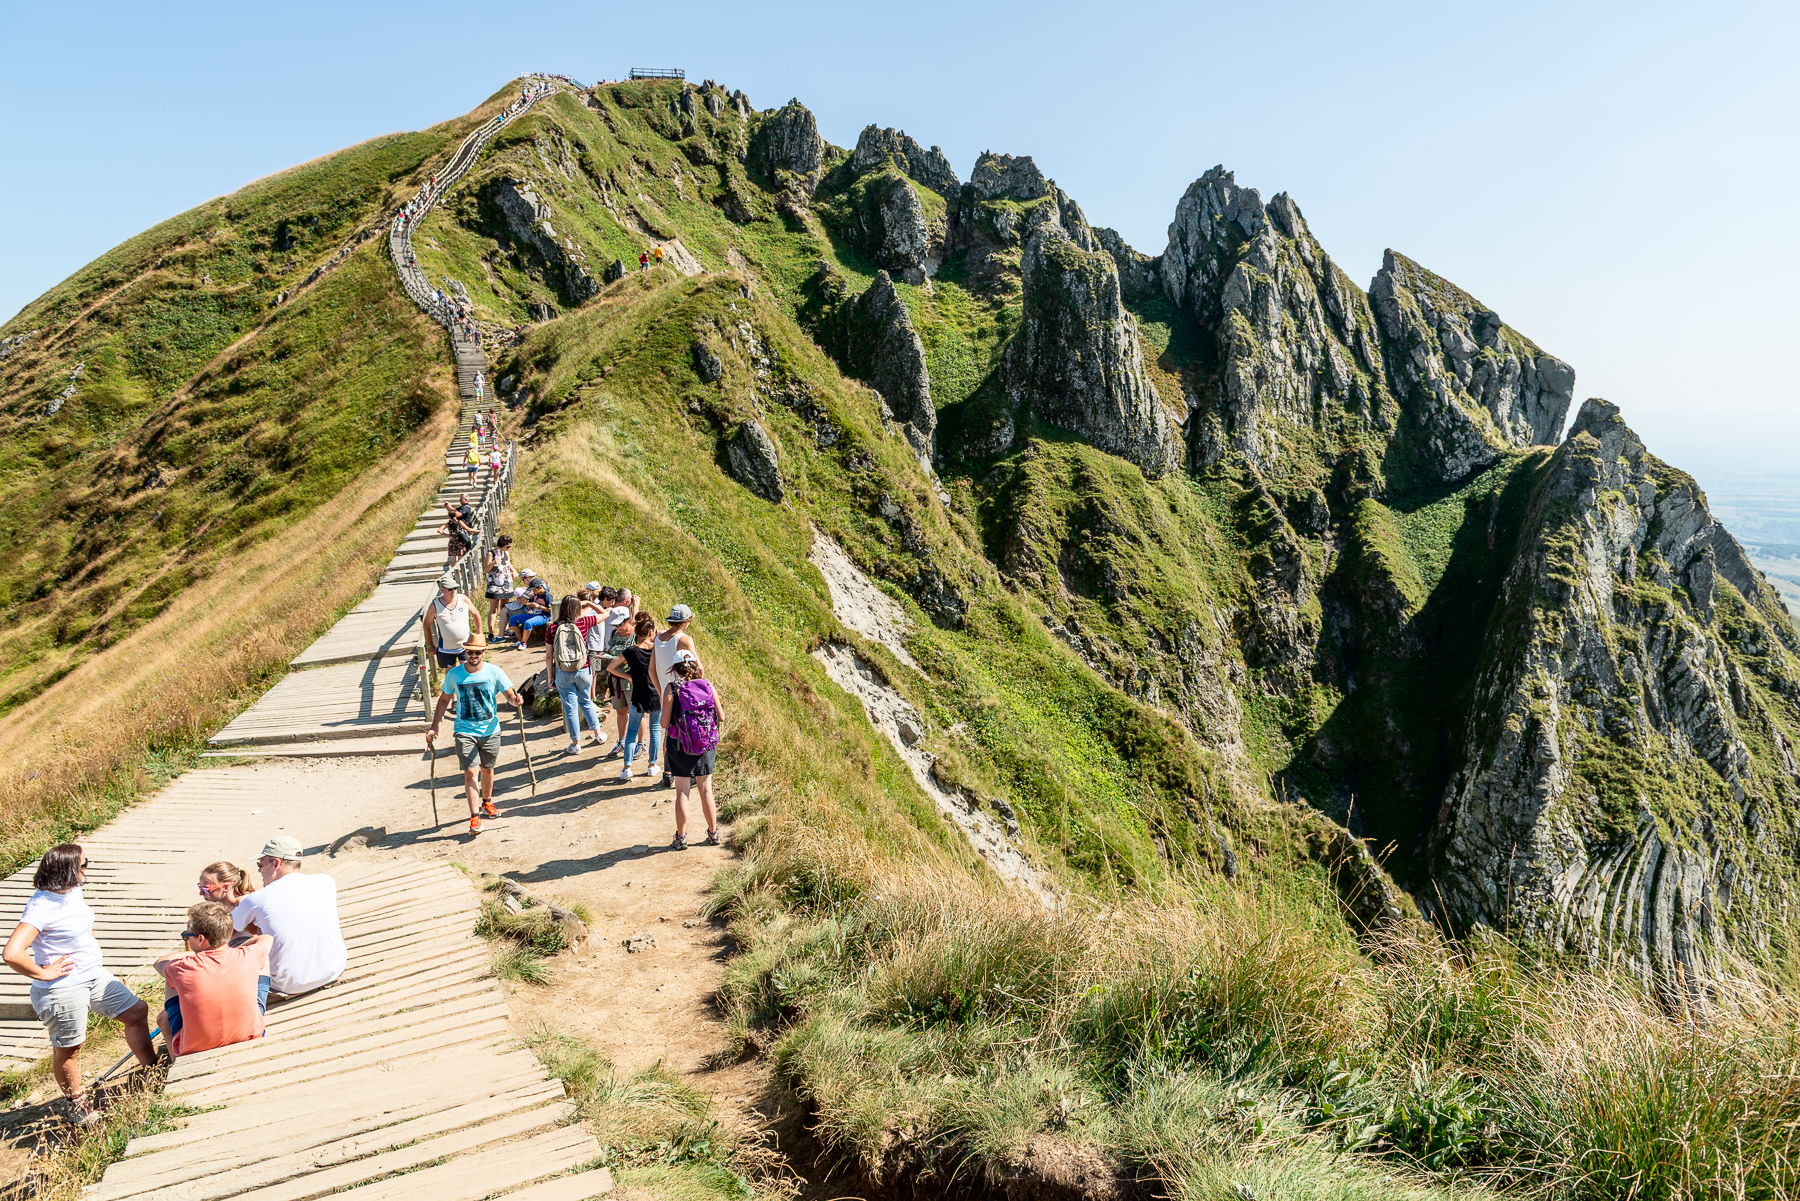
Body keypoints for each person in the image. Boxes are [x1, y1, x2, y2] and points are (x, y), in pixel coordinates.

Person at [2, 845, 155, 1126]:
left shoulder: (72, 891)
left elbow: (80, 923)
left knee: (136, 1012)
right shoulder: (41, 907)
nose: (88, 868)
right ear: (69, 869)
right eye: (85, 864)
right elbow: (12, 953)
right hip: (62, 988)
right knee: (70, 1048)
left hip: (93, 975)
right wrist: (43, 973)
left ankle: (153, 1072)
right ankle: (77, 1105)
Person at [426, 634, 521, 833]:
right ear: (465, 651)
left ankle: (487, 802)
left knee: (487, 769)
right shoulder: (454, 674)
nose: (473, 655)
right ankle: (475, 817)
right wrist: (435, 726)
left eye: (477, 652)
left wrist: (516, 701)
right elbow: (444, 700)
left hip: (490, 730)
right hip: (464, 730)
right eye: (470, 652)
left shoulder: (495, 672)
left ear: (484, 651)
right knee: (470, 772)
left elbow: (510, 696)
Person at [232, 836, 347, 997]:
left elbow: (224, 930)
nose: (259, 870)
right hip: (333, 970)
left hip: (287, 984)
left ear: (276, 863)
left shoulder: (258, 898)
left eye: (261, 864)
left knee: (234, 938)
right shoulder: (326, 881)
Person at [154, 903, 271, 1059]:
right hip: (250, 1034)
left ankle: (177, 1059)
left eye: (187, 937)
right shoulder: (248, 955)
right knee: (263, 960)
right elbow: (266, 938)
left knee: (171, 982)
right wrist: (232, 949)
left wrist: (191, 956)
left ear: (201, 939)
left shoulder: (181, 967)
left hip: (196, 1046)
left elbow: (160, 962)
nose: (187, 941)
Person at [660, 651, 723, 850]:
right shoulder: (707, 685)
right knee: (706, 790)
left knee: (682, 791)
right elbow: (721, 716)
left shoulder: (672, 689)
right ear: (695, 666)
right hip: (705, 744)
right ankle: (713, 833)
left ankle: (681, 837)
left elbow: (663, 723)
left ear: (675, 669)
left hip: (680, 745)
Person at [651, 604, 704, 789]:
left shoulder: (658, 638)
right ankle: (687, 771)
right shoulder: (685, 639)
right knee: (688, 730)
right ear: (687, 620)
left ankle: (667, 772)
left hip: (666, 692)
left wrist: (661, 691)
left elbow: (651, 670)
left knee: (669, 732)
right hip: (684, 692)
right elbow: (699, 667)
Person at [606, 613, 661, 783]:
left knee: (631, 731)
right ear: (651, 631)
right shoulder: (657, 649)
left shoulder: (631, 650)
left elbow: (610, 667)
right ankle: (652, 765)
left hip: (638, 694)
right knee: (655, 730)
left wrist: (628, 677)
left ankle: (626, 768)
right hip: (655, 693)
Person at [545, 596, 604, 754]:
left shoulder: (552, 628)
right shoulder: (583, 622)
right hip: (583, 669)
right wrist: (590, 603)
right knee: (586, 701)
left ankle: (576, 744)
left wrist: (550, 676)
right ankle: (598, 734)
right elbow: (605, 614)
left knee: (570, 708)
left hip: (563, 672)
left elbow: (549, 656)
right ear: (577, 609)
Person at [422, 574, 483, 670]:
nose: (453, 591)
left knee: (469, 670)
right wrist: (430, 644)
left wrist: (480, 636)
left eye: (455, 588)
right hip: (446, 648)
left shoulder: (463, 599)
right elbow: (426, 624)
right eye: (450, 589)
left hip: (465, 645)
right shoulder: (435, 605)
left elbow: (476, 615)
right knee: (450, 674)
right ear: (442, 590)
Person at [512, 571, 554, 646]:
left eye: (534, 589)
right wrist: (528, 604)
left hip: (544, 616)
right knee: (513, 619)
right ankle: (520, 640)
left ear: (540, 587)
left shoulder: (547, 595)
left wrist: (539, 606)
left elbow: (552, 609)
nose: (533, 591)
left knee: (528, 623)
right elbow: (532, 606)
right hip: (534, 614)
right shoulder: (535, 594)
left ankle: (523, 643)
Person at [484, 534, 515, 633]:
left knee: (504, 607)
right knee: (494, 609)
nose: (508, 548)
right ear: (502, 545)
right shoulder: (491, 554)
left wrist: (514, 571)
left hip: (506, 584)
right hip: (494, 584)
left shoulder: (506, 553)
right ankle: (491, 631)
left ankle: (505, 629)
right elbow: (485, 570)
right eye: (507, 546)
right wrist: (493, 563)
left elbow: (508, 563)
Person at [440, 500, 476, 568]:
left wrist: (448, 535)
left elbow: (439, 530)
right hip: (459, 542)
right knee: (460, 560)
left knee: (453, 561)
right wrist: (478, 531)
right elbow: (468, 529)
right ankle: (460, 574)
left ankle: (453, 573)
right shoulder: (459, 522)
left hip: (452, 542)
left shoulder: (448, 524)